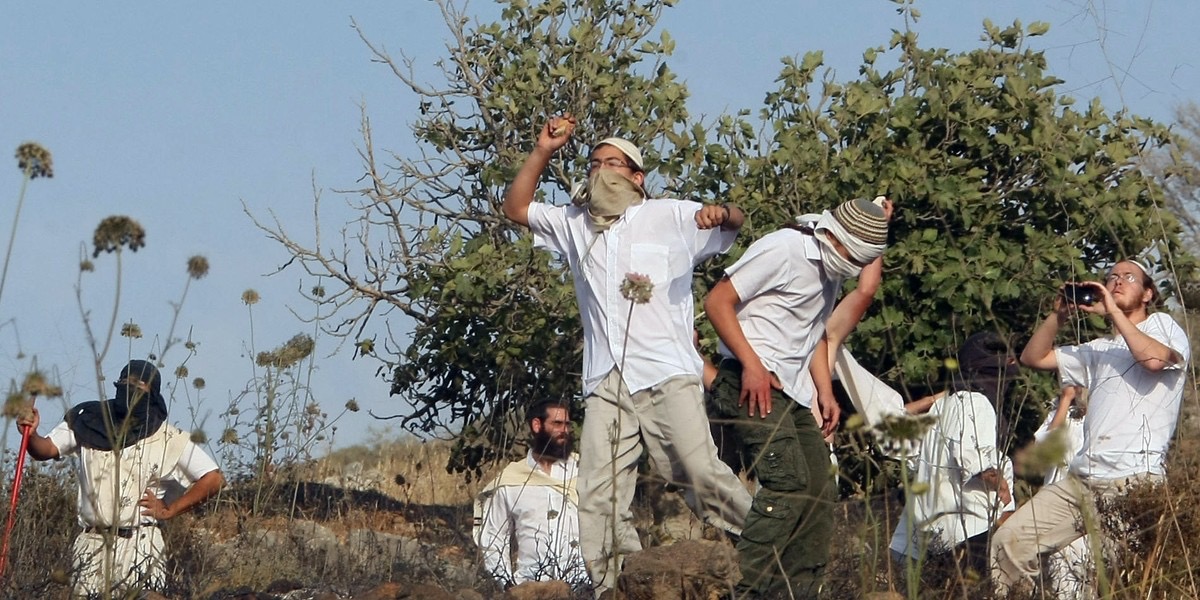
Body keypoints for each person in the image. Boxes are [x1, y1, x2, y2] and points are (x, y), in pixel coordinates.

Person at [503, 114, 753, 595]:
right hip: (606, 378)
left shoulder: (670, 215)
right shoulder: (574, 223)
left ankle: (770, 547)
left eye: (612, 164)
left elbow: (733, 222)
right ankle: (617, 587)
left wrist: (721, 212)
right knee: (598, 493)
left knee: (696, 470)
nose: (601, 172)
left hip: (666, 372)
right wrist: (543, 151)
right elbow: (516, 208)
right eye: (594, 164)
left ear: (637, 177)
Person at [704, 196, 892, 598]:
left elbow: (814, 336)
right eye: (851, 255)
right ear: (834, 237)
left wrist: (824, 390)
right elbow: (717, 302)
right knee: (787, 482)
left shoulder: (831, 269)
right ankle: (747, 588)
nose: (851, 265)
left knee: (820, 490)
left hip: (790, 391)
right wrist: (752, 365)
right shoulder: (784, 248)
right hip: (746, 378)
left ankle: (798, 591)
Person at [990, 259, 1190, 594]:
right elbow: (1033, 358)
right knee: (1008, 542)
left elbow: (1154, 361)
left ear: (1147, 294)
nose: (1116, 282)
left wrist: (1112, 312)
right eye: (1111, 277)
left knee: (1086, 575)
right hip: (1081, 481)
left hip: (1133, 482)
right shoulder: (1099, 350)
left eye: (1128, 277)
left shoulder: (1163, 326)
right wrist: (1059, 315)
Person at [15, 360, 224, 598]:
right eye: (125, 381)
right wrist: (31, 434)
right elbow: (46, 449)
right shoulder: (89, 420)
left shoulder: (169, 437)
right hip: (91, 542)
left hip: (141, 542)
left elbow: (213, 478)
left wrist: (169, 510)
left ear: (152, 392)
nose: (129, 387)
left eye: (139, 384)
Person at [888, 332, 1017, 577]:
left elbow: (896, 425)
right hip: (967, 531)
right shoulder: (976, 403)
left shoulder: (943, 405)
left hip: (930, 535)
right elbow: (974, 455)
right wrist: (1000, 486)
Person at [473, 400, 590, 590]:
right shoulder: (512, 480)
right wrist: (507, 586)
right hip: (530, 587)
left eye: (567, 425)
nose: (565, 431)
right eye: (557, 424)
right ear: (537, 425)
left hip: (582, 586)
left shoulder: (583, 472)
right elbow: (493, 539)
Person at [1026, 385, 1091, 600]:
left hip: (1091, 505)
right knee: (1062, 576)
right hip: (1057, 506)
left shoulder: (1103, 416)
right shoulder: (1062, 415)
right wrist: (1065, 401)